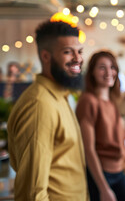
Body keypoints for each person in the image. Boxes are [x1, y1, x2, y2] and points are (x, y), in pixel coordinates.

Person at [7, 21, 88, 200]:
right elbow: (32, 193)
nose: (78, 59)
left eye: (80, 51)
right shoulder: (39, 106)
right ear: (46, 56)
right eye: (68, 52)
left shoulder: (61, 96)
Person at [76, 51, 125, 201]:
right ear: (92, 73)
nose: (109, 72)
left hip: (118, 170)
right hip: (100, 174)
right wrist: (103, 188)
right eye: (102, 67)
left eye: (112, 67)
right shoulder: (88, 101)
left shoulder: (112, 101)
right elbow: (88, 149)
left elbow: (109, 137)